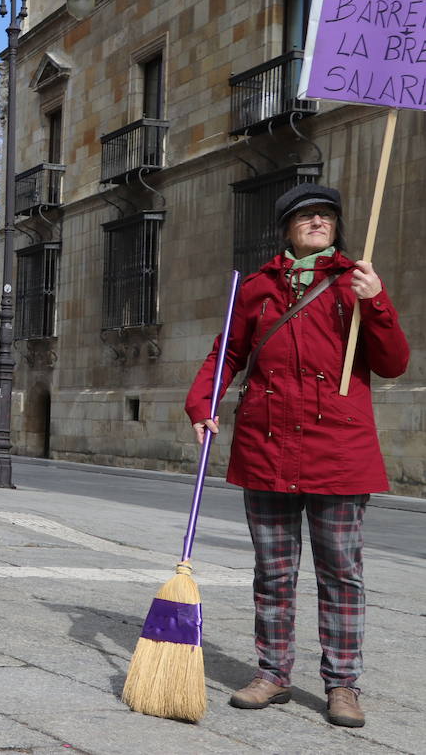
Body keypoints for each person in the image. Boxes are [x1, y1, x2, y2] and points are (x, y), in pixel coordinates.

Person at [186, 182, 408, 729]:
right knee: (274, 572)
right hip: (266, 448)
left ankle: (342, 684)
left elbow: (394, 362)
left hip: (339, 449)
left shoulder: (355, 281)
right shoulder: (257, 286)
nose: (317, 221)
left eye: (326, 215)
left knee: (341, 575)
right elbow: (230, 352)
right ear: (286, 227)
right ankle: (273, 674)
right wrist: (201, 404)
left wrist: (374, 301)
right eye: (305, 215)